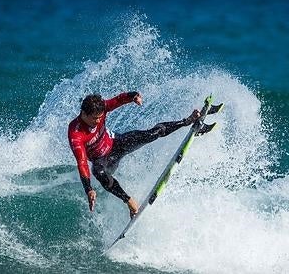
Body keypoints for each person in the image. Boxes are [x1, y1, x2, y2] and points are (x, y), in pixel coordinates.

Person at [68, 92, 200, 218]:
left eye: (99, 117)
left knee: (152, 134)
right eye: (94, 118)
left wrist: (133, 96)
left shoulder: (101, 108)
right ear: (83, 113)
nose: (98, 121)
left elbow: (118, 100)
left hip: (116, 143)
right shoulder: (75, 133)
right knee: (99, 172)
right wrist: (88, 189)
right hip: (103, 160)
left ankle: (187, 121)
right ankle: (129, 202)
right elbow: (82, 162)